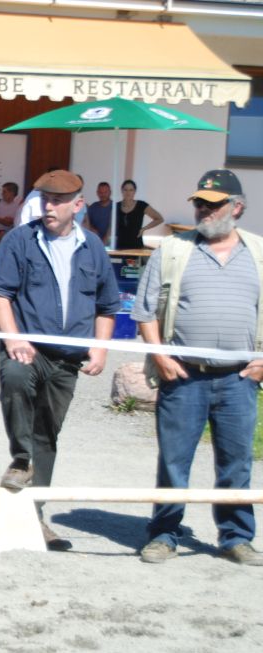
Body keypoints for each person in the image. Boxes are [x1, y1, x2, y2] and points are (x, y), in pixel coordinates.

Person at [131, 169, 263, 566]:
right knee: (174, 461)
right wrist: (160, 356)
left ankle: (236, 537)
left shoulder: (259, 252)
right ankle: (164, 534)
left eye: (213, 204)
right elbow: (144, 311)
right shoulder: (172, 250)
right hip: (183, 376)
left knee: (236, 463)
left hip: (240, 378)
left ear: (237, 207)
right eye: (200, 203)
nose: (204, 209)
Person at [0, 169, 119, 551]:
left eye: (58, 201)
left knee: (47, 433)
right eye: (45, 199)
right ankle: (20, 459)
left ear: (78, 205)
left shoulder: (93, 247)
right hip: (27, 348)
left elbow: (108, 305)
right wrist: (14, 337)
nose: (48, 207)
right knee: (14, 378)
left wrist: (100, 348)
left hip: (68, 359)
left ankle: (34, 516)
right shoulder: (19, 240)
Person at [115, 179, 164, 250]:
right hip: (120, 246)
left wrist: (144, 229)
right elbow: (110, 225)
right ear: (122, 191)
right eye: (125, 190)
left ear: (134, 191)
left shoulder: (141, 205)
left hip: (136, 245)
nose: (128, 192)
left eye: (131, 190)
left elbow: (159, 219)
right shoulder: (116, 206)